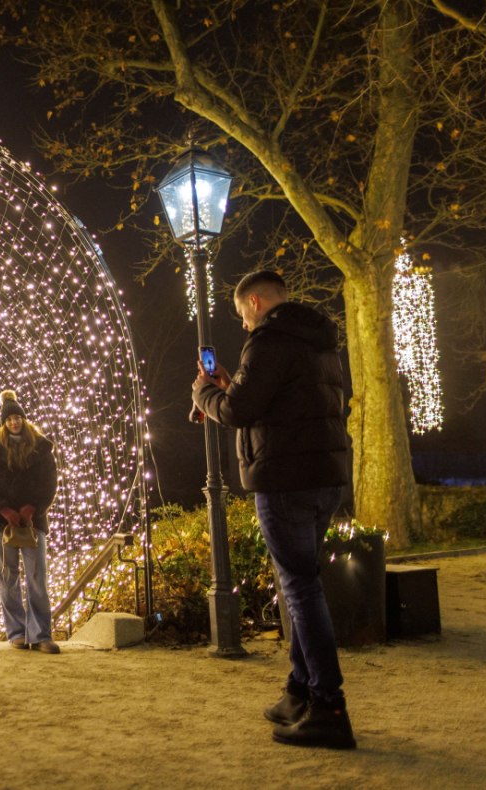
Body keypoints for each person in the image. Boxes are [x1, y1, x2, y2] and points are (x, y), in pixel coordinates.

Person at [192, 270, 355, 749]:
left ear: (257, 302)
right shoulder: (317, 340)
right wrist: (233, 383)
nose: (244, 324)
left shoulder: (267, 341)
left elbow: (239, 411)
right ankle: (300, 691)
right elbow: (276, 399)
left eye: (243, 314)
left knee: (300, 589)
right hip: (325, 475)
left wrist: (205, 393)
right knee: (305, 583)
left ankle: (329, 706)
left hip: (285, 479)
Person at [0, 389, 60, 654]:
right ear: (3, 422)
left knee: (37, 577)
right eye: (9, 418)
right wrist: (3, 510)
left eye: (17, 418)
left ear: (23, 419)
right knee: (7, 577)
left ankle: (41, 634)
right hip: (0, 523)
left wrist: (32, 507)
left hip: (33, 522)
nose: (14, 422)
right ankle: (17, 632)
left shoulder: (41, 447)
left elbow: (49, 483)